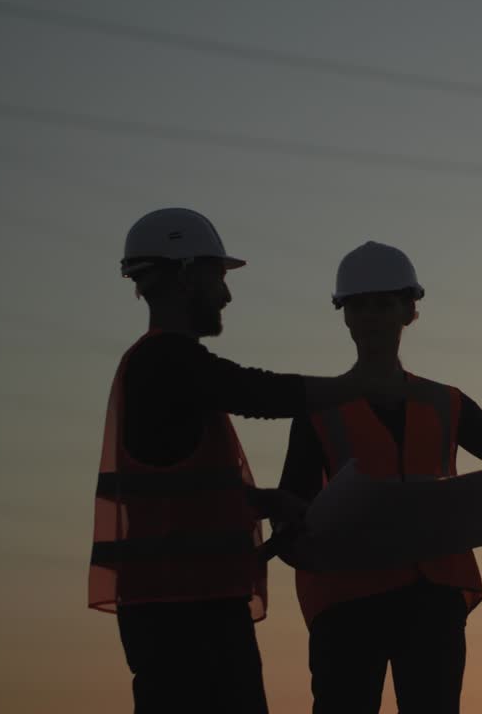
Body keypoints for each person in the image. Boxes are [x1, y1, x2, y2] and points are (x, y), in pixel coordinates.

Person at [88, 208, 398, 714]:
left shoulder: (162, 367)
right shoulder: (165, 361)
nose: (226, 295)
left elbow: (179, 489)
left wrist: (261, 501)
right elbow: (253, 391)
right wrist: (355, 386)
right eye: (216, 279)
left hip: (187, 606)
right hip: (183, 612)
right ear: (185, 276)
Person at [276, 241, 482, 714]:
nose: (371, 317)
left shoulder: (445, 403)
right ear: (345, 316)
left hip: (432, 598)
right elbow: (291, 509)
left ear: (409, 311)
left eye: (383, 304)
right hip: (348, 600)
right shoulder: (318, 411)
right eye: (360, 306)